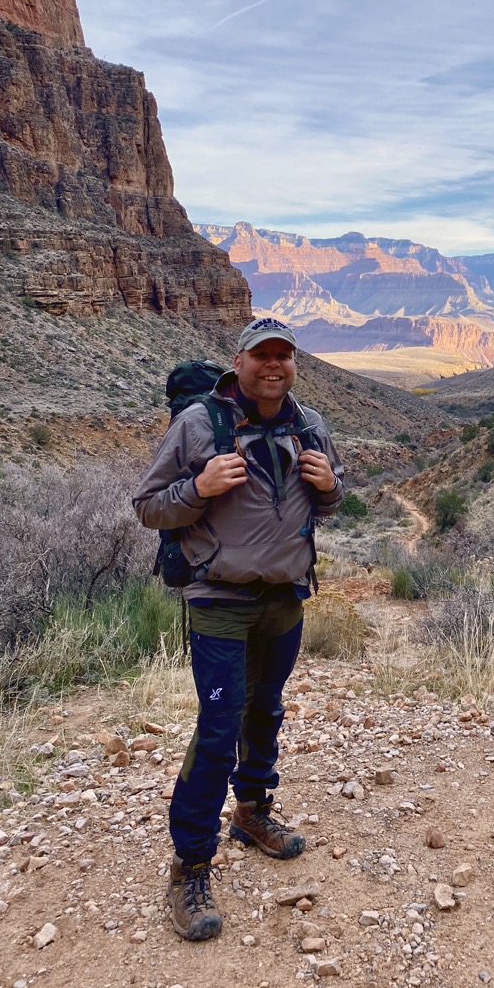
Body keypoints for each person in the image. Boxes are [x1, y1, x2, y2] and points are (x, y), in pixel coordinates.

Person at [133, 316, 344, 941]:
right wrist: (198, 488)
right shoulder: (200, 423)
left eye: (284, 355)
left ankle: (252, 813)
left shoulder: (310, 423)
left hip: (285, 597)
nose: (274, 365)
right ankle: (191, 864)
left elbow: (327, 499)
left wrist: (331, 489)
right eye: (262, 356)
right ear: (240, 361)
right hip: (218, 599)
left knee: (266, 710)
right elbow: (148, 505)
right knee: (220, 725)